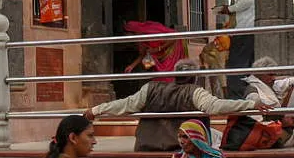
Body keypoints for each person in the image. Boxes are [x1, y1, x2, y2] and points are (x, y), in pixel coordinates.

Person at [84, 60, 260, 151]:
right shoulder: (195, 92)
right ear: (195, 77)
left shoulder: (151, 88)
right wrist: (251, 104)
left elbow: (125, 105)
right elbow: (216, 106)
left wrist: (96, 110)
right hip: (183, 147)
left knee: (215, 135)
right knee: (218, 138)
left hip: (147, 144)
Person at [217, 0, 255, 98]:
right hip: (251, 29)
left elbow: (248, 0)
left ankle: (237, 100)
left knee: (236, 67)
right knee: (247, 67)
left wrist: (229, 9)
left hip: (243, 29)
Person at [122, 20, 188, 81]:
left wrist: (157, 49)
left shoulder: (150, 31)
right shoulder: (139, 39)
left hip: (173, 46)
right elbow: (143, 54)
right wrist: (131, 66)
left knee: (167, 74)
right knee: (146, 63)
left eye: (127, 34)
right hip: (159, 53)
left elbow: (173, 37)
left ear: (132, 32)